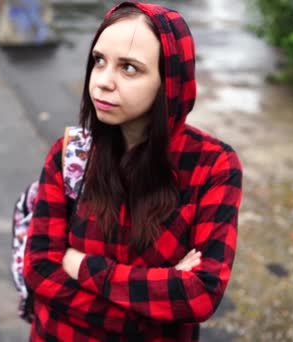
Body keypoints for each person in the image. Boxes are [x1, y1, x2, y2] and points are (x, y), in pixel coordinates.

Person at [23, 2, 243, 341]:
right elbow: (39, 271)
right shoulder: (71, 156)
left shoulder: (213, 167)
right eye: (99, 61)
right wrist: (155, 309)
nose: (103, 82)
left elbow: (199, 295)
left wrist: (82, 265)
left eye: (129, 68)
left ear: (169, 82)